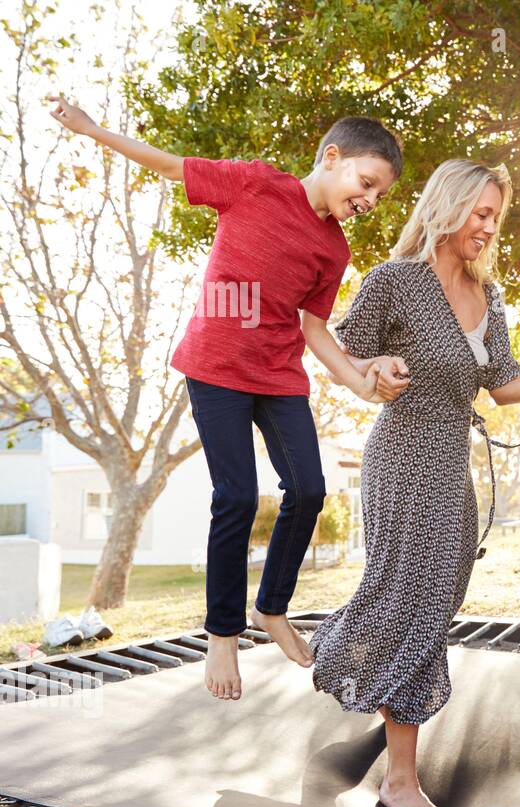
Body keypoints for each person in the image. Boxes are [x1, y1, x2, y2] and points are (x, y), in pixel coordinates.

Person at [49, 97, 411, 701]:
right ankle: (223, 630)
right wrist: (91, 130)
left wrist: (359, 378)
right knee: (237, 495)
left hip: (278, 375)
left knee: (310, 489)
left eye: (379, 196)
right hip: (216, 368)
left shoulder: (335, 251)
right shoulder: (254, 184)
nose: (370, 201)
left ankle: (272, 607)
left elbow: (315, 329)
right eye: (367, 183)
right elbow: (168, 166)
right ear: (332, 157)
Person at [308, 158, 520, 807]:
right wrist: (372, 369)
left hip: (453, 466)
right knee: (413, 603)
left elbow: (501, 383)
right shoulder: (395, 283)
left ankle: (336, 646)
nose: (486, 228)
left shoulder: (488, 297)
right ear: (446, 208)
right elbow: (338, 354)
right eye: (479, 214)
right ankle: (401, 781)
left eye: (494, 218)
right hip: (404, 453)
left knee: (435, 599)